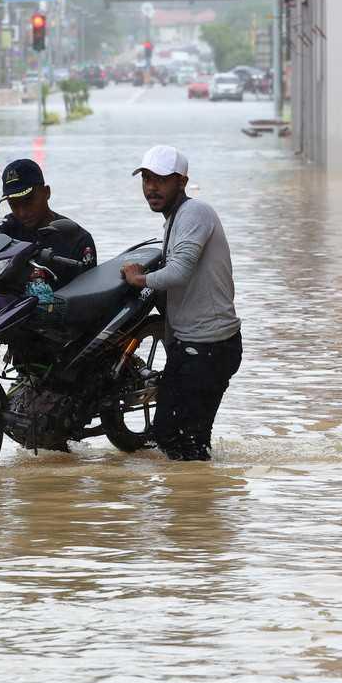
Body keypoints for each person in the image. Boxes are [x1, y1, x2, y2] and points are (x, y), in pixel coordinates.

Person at [119, 145, 242, 462]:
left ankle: (197, 491)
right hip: (194, 345)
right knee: (178, 439)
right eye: (146, 179)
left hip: (210, 346)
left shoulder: (194, 213)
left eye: (161, 180)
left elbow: (179, 271)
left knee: (179, 438)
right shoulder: (176, 219)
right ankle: (199, 490)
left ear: (182, 182)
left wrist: (140, 279)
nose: (151, 188)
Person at [0, 158, 96, 287]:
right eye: (14, 204)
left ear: (46, 192)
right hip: (8, 303)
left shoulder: (77, 239)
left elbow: (87, 294)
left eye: (28, 201)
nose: (22, 212)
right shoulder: (8, 226)